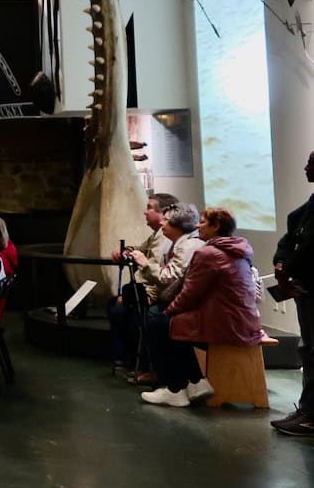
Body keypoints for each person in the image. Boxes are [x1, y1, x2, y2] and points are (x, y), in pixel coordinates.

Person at [142, 207, 261, 408]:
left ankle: (174, 389)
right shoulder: (239, 249)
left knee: (159, 322)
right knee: (173, 322)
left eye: (203, 222)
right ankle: (196, 382)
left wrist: (167, 311)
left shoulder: (208, 253)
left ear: (216, 227)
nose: (197, 225)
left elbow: (189, 293)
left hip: (225, 322)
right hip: (243, 320)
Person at [106, 193, 182, 373]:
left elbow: (161, 273)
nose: (145, 212)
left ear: (163, 213)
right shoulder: (156, 235)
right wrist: (126, 252)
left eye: (149, 208)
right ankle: (127, 357)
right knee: (114, 305)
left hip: (155, 294)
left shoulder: (165, 238)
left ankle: (130, 359)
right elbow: (141, 249)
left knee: (119, 309)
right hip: (145, 290)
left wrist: (147, 296)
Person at [272, 150, 314, 436]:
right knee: (308, 349)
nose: (305, 167)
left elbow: (307, 246)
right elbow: (291, 239)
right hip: (304, 288)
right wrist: (281, 262)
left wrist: (288, 265)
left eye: (311, 163)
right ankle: (308, 409)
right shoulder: (308, 207)